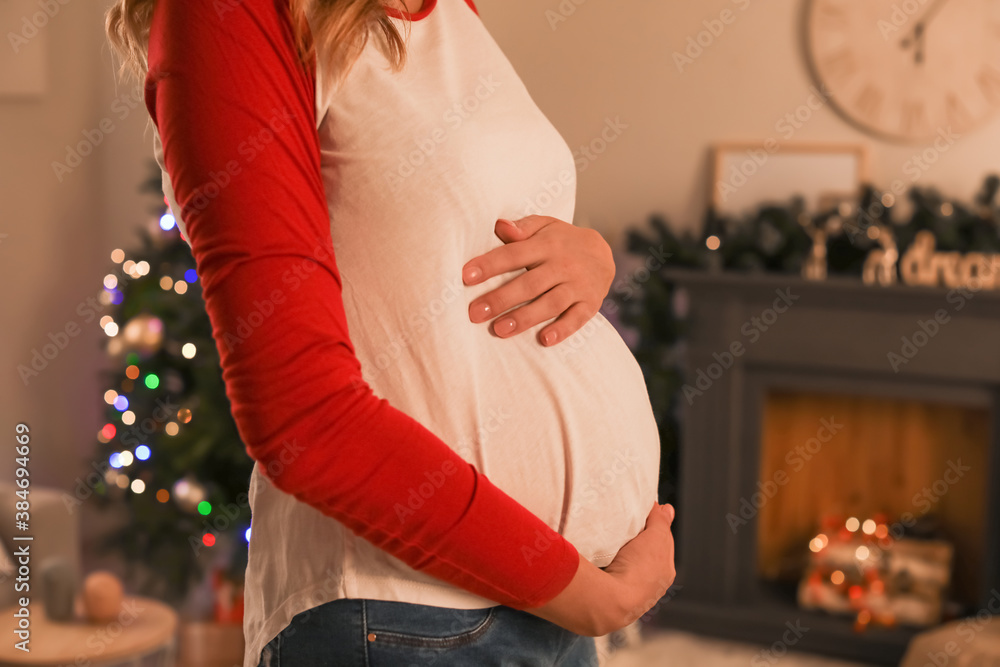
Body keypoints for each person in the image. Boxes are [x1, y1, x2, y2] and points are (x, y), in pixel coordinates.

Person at [105, 0, 677, 664]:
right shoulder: (230, 13)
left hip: (548, 609)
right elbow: (300, 415)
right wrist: (580, 593)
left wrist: (587, 255)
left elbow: (443, 243)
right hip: (407, 619)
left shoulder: (448, 12)